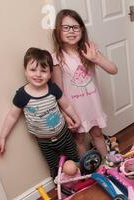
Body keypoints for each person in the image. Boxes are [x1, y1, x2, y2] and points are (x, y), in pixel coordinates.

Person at [0, 48, 81, 178]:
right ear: (25, 70)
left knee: (74, 161)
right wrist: (3, 138)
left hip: (64, 134)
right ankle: (63, 189)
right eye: (33, 70)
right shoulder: (22, 95)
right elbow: (12, 116)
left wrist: (76, 119)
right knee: (55, 169)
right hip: (44, 142)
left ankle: (80, 183)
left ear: (49, 73)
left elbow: (66, 105)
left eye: (43, 70)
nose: (38, 74)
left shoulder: (52, 88)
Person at [51, 9, 118, 159]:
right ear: (58, 31)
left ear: (82, 30)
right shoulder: (56, 58)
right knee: (79, 139)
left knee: (97, 133)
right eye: (66, 27)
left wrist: (96, 59)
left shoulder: (89, 50)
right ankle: (88, 169)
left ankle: (107, 164)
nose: (71, 31)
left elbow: (113, 70)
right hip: (74, 108)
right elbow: (58, 92)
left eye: (75, 27)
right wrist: (65, 115)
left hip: (92, 103)